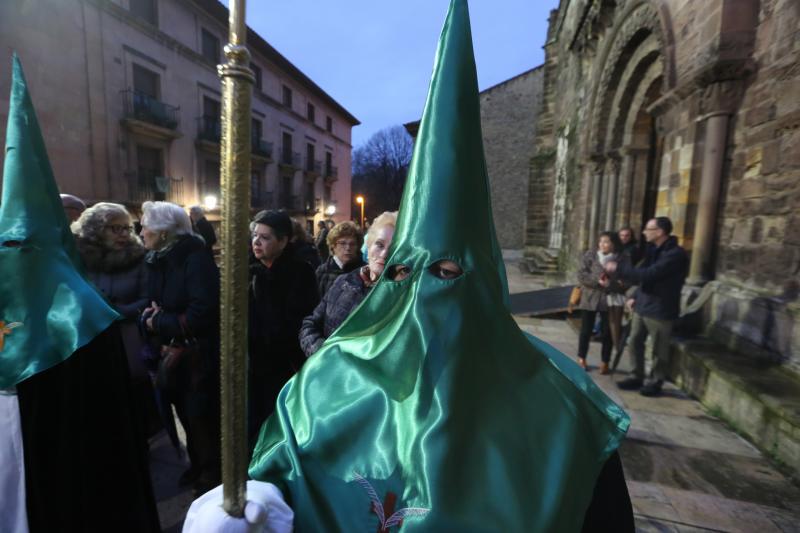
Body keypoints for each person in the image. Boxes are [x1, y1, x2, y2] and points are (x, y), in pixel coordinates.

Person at [185, 2, 632, 530]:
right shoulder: (329, 379)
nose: (420, 293)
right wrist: (252, 507)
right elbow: (282, 470)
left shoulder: (560, 404)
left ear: (484, 281)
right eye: (402, 273)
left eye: (445, 272)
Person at [1, 54, 160, 533]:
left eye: (23, 246)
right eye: (8, 245)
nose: (14, 258)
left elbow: (105, 441)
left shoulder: (81, 314)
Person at [140, 200, 221, 494]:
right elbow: (152, 304)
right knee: (185, 415)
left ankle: (212, 474)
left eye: (146, 225)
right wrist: (150, 319)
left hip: (197, 355)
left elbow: (203, 311)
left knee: (201, 416)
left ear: (163, 232)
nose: (142, 230)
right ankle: (198, 464)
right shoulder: (157, 259)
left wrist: (157, 322)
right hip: (172, 352)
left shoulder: (195, 258)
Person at [72, 202, 159, 436]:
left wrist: (118, 312)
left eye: (126, 228)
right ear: (95, 230)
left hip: (128, 334)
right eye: (114, 228)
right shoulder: (79, 257)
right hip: (91, 334)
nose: (122, 234)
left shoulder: (139, 257)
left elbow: (147, 297)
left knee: (134, 389)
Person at [248, 210, 319, 449]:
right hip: (252, 364)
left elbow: (296, 321)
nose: (256, 242)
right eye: (255, 235)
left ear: (284, 240)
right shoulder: (248, 270)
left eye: (265, 237)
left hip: (284, 365)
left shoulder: (300, 271)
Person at [605, 216, 689, 397]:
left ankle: (656, 380)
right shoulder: (653, 250)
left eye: (648, 229)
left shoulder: (675, 254)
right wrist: (634, 296)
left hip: (660, 308)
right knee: (635, 341)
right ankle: (636, 375)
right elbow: (643, 276)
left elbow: (651, 274)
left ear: (659, 232)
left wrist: (618, 269)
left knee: (659, 348)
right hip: (643, 304)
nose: (643, 233)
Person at [299, 211, 398, 357]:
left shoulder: (404, 296)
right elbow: (310, 324)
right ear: (369, 246)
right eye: (379, 244)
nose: (384, 254)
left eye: (393, 248)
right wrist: (321, 354)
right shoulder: (343, 281)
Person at [575, 231, 627, 374]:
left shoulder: (621, 258)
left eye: (606, 242)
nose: (603, 245)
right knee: (585, 330)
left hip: (609, 300)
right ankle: (581, 358)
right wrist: (597, 281)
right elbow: (581, 274)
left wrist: (611, 283)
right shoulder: (590, 255)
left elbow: (627, 279)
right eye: (601, 241)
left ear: (613, 244)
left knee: (607, 332)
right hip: (590, 297)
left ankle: (605, 361)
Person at [314, 220, 365, 297]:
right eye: (342, 243)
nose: (348, 248)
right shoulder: (322, 272)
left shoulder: (365, 271)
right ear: (333, 246)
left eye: (352, 244)